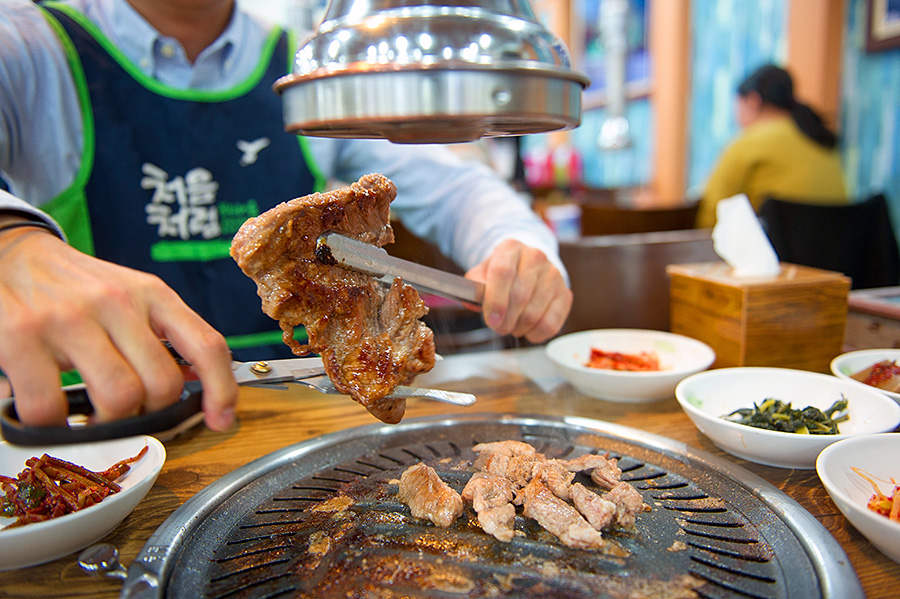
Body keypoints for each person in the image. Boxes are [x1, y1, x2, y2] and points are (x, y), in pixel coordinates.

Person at [0, 0, 572, 432]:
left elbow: (456, 185)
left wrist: (517, 247)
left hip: (290, 418)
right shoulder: (30, 49)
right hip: (101, 422)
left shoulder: (316, 63)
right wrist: (14, 244)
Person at [696, 64, 848, 228]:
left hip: (777, 243)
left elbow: (712, 215)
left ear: (753, 101)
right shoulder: (819, 138)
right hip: (836, 241)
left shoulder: (749, 143)